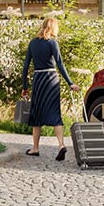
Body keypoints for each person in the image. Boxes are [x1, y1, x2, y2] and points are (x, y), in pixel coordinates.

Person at [21, 14, 75, 161]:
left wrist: (25, 87)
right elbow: (60, 64)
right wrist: (70, 83)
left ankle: (35, 148)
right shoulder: (52, 43)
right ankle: (61, 145)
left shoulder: (33, 43)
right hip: (51, 80)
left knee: (36, 113)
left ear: (43, 26)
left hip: (38, 79)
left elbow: (25, 67)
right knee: (55, 113)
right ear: (53, 28)